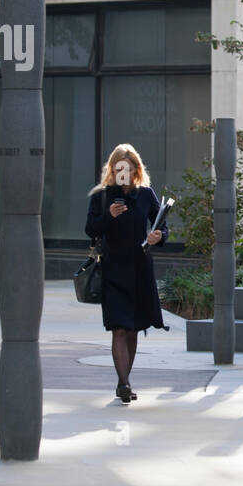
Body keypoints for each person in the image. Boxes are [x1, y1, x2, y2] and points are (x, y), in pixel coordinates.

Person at [85, 144, 170, 404]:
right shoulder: (101, 196)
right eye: (119, 168)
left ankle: (125, 380)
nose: (124, 173)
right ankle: (124, 383)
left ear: (136, 170)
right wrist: (109, 216)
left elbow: (162, 226)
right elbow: (90, 229)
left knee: (133, 329)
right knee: (119, 328)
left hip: (139, 268)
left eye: (129, 168)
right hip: (112, 268)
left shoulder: (146, 194)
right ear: (112, 169)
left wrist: (158, 236)